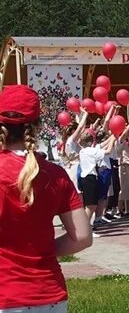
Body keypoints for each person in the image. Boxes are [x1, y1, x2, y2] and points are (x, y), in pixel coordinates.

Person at [0, 85, 93, 312]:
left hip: (5, 293)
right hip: (50, 294)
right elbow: (82, 237)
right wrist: (42, 249)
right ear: (37, 126)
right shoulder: (56, 174)